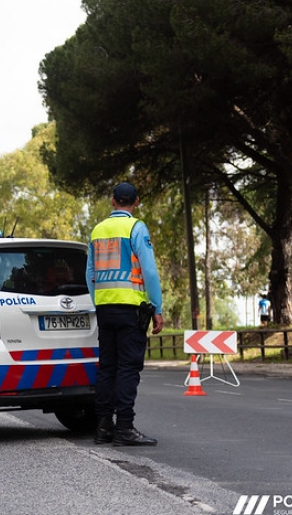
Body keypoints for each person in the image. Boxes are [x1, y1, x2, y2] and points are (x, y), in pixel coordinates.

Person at [86, 182, 164, 446]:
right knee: (128, 368)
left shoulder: (97, 231)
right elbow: (149, 272)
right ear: (136, 201)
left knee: (108, 368)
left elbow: (90, 274)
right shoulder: (136, 227)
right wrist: (157, 308)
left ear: (112, 201)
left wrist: (98, 301)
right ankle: (125, 428)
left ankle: (103, 427)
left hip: (105, 308)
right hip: (131, 309)